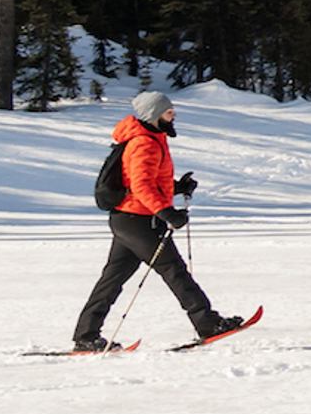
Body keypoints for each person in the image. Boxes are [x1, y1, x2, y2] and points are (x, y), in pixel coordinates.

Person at [72, 91, 245, 350]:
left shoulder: (153, 138)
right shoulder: (144, 143)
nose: (173, 116)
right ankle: (206, 323)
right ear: (153, 115)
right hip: (139, 221)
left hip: (128, 219)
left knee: (112, 280)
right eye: (168, 112)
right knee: (174, 270)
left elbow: (146, 182)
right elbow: (141, 186)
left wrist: (177, 187)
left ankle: (86, 336)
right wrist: (167, 212)